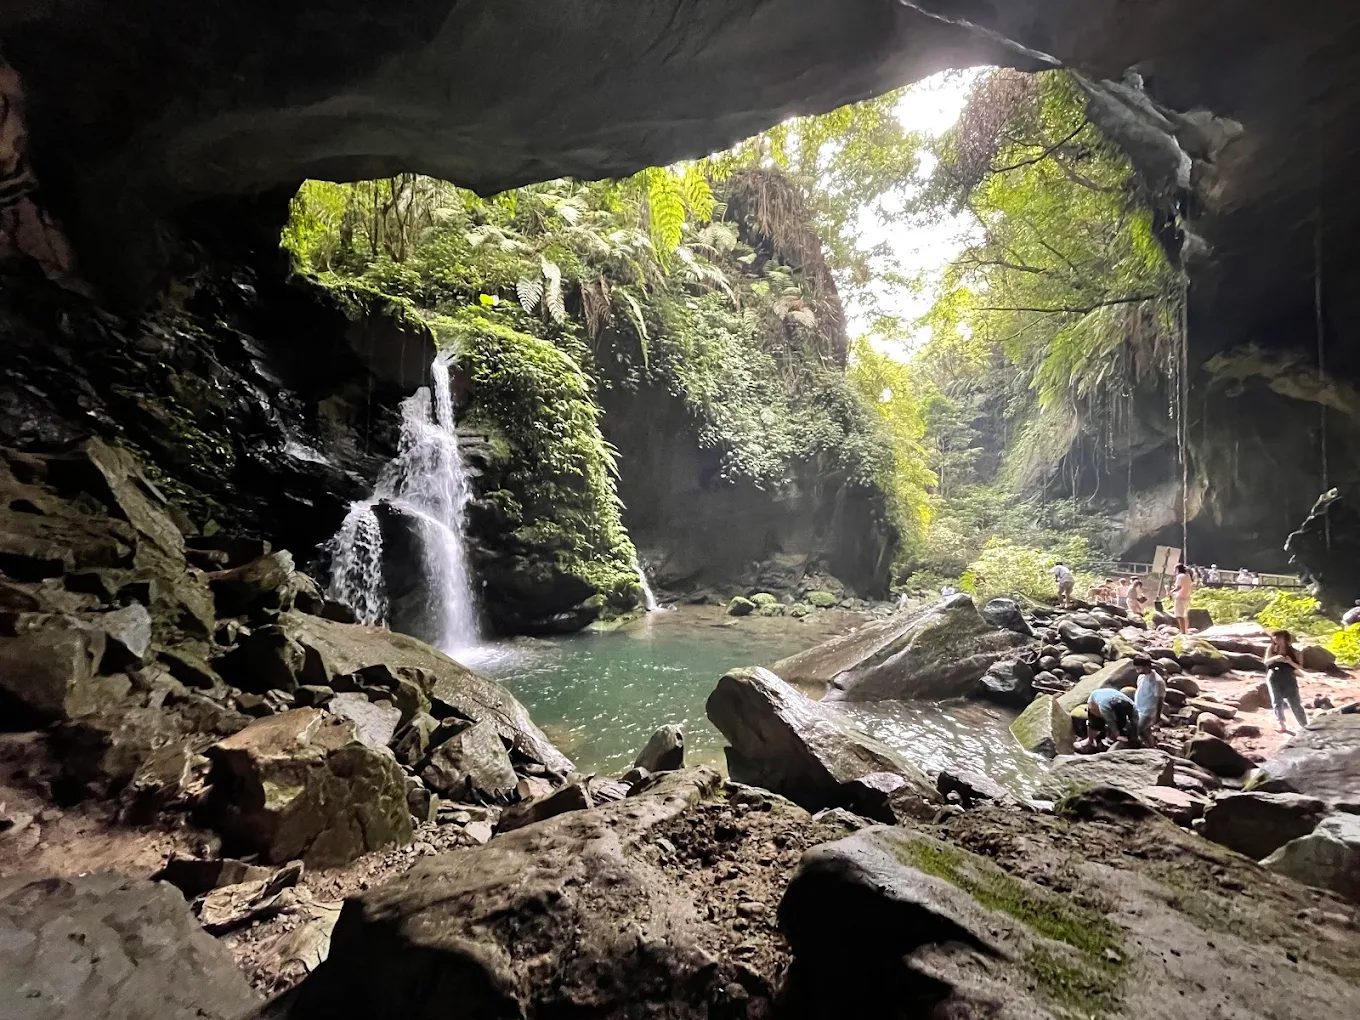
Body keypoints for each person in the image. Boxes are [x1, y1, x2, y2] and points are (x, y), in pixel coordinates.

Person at [1264, 629, 1308, 734]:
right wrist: (1275, 658)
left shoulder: (1295, 651)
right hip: (1274, 676)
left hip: (1289, 677)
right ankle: (1281, 725)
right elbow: (1266, 662)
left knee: (1295, 702)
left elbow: (1300, 668)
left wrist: (1289, 661)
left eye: (1278, 637)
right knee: (1277, 701)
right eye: (1274, 637)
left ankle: (1304, 725)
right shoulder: (1271, 648)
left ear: (1285, 638)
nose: (1275, 639)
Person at [1133, 654, 1166, 747]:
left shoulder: (1157, 681)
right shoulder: (1141, 677)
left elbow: (1160, 699)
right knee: (1145, 731)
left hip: (1148, 712)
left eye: (1139, 668)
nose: (1137, 670)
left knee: (1137, 729)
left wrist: (1158, 716)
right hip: (1138, 707)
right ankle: (1152, 747)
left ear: (1147, 666)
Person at [1172, 562, 1194, 634]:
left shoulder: (1180, 576)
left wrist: (1171, 591)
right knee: (1185, 615)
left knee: (1179, 615)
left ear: (1178, 569)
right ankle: (1186, 629)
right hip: (1187, 597)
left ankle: (1183, 631)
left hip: (1180, 597)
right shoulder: (1187, 575)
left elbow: (1178, 587)